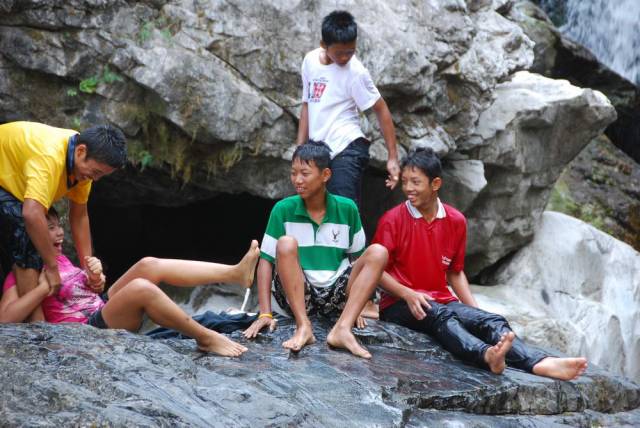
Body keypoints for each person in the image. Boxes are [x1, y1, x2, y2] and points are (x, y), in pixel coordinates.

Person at [372, 147, 588, 380]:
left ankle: (541, 363)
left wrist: (475, 312)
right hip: (398, 304)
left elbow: (455, 273)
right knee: (441, 316)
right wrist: (407, 294)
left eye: (416, 182)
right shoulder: (392, 220)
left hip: (440, 300)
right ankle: (486, 356)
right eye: (405, 182)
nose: (408, 189)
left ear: (435, 184)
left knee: (489, 321)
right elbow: (375, 271)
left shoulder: (455, 221)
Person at [0, 208, 261, 357]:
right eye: (50, 228)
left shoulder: (62, 261)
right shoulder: (25, 273)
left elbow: (86, 292)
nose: (59, 233)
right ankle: (205, 338)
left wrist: (95, 278)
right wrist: (44, 289)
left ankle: (235, 274)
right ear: (33, 234)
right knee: (140, 290)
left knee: (148, 265)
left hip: (101, 308)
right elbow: (5, 319)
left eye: (59, 226)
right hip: (84, 331)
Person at [243, 141, 388, 359]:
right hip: (299, 293)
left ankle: (342, 328)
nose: (297, 180)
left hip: (337, 294)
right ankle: (304, 327)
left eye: (305, 173)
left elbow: (359, 261)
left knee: (378, 252)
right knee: (285, 243)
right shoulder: (283, 209)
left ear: (325, 174)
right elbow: (265, 261)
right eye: (293, 173)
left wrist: (360, 305)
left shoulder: (347, 208)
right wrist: (265, 312)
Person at [0, 121, 127, 321]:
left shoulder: (81, 165)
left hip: (11, 182)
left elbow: (79, 215)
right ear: (81, 152)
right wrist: (51, 267)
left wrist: (88, 268)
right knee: (26, 230)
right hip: (6, 185)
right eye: (96, 172)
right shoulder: (50, 156)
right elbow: (31, 213)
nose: (95, 179)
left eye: (101, 175)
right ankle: (35, 324)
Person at [295, 10, 400, 204]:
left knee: (342, 208)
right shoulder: (310, 62)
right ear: (323, 45)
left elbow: (381, 108)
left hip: (347, 146)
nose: (345, 58)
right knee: (313, 209)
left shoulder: (356, 72)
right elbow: (306, 105)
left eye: (350, 52)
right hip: (318, 150)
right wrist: (299, 151)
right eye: (339, 53)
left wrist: (392, 157)